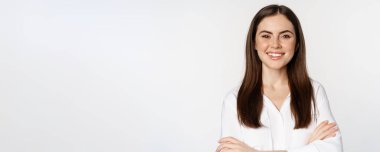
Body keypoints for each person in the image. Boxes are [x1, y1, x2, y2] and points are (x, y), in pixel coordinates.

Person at [215, 4, 343, 152]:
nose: (275, 44)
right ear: (254, 43)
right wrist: (308, 147)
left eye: (285, 36)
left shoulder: (315, 92)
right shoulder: (234, 100)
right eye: (266, 36)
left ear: (297, 44)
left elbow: (333, 149)